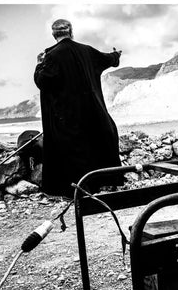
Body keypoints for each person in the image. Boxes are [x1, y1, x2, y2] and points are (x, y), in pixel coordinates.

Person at [34, 19, 123, 198]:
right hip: (92, 113)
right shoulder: (87, 51)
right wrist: (116, 55)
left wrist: (38, 65)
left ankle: (77, 188)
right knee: (96, 142)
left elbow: (42, 81)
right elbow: (109, 59)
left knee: (72, 149)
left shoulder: (51, 56)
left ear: (54, 35)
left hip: (66, 117)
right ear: (71, 32)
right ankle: (103, 182)